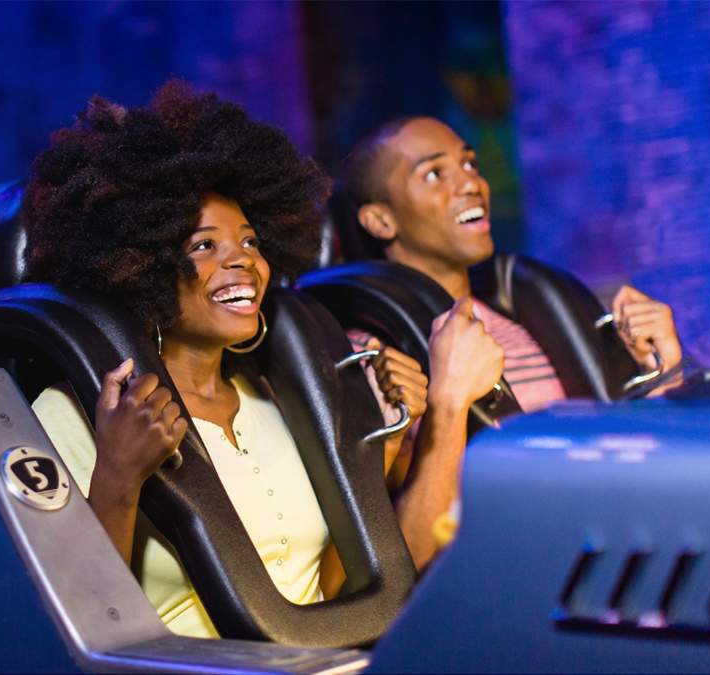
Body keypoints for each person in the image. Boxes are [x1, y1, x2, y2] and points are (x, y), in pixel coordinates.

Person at [23, 81, 435, 639]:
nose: (242, 261)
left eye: (249, 241)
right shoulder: (76, 414)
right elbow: (72, 620)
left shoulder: (279, 400)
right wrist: (119, 475)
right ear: (138, 264)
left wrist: (384, 445)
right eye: (203, 246)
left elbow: (335, 596)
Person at [334, 116, 685, 560]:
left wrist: (662, 372)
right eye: (435, 173)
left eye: (470, 164)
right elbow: (412, 558)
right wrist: (449, 403)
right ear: (381, 220)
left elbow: (644, 473)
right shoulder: (372, 357)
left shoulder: (526, 325)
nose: (471, 183)